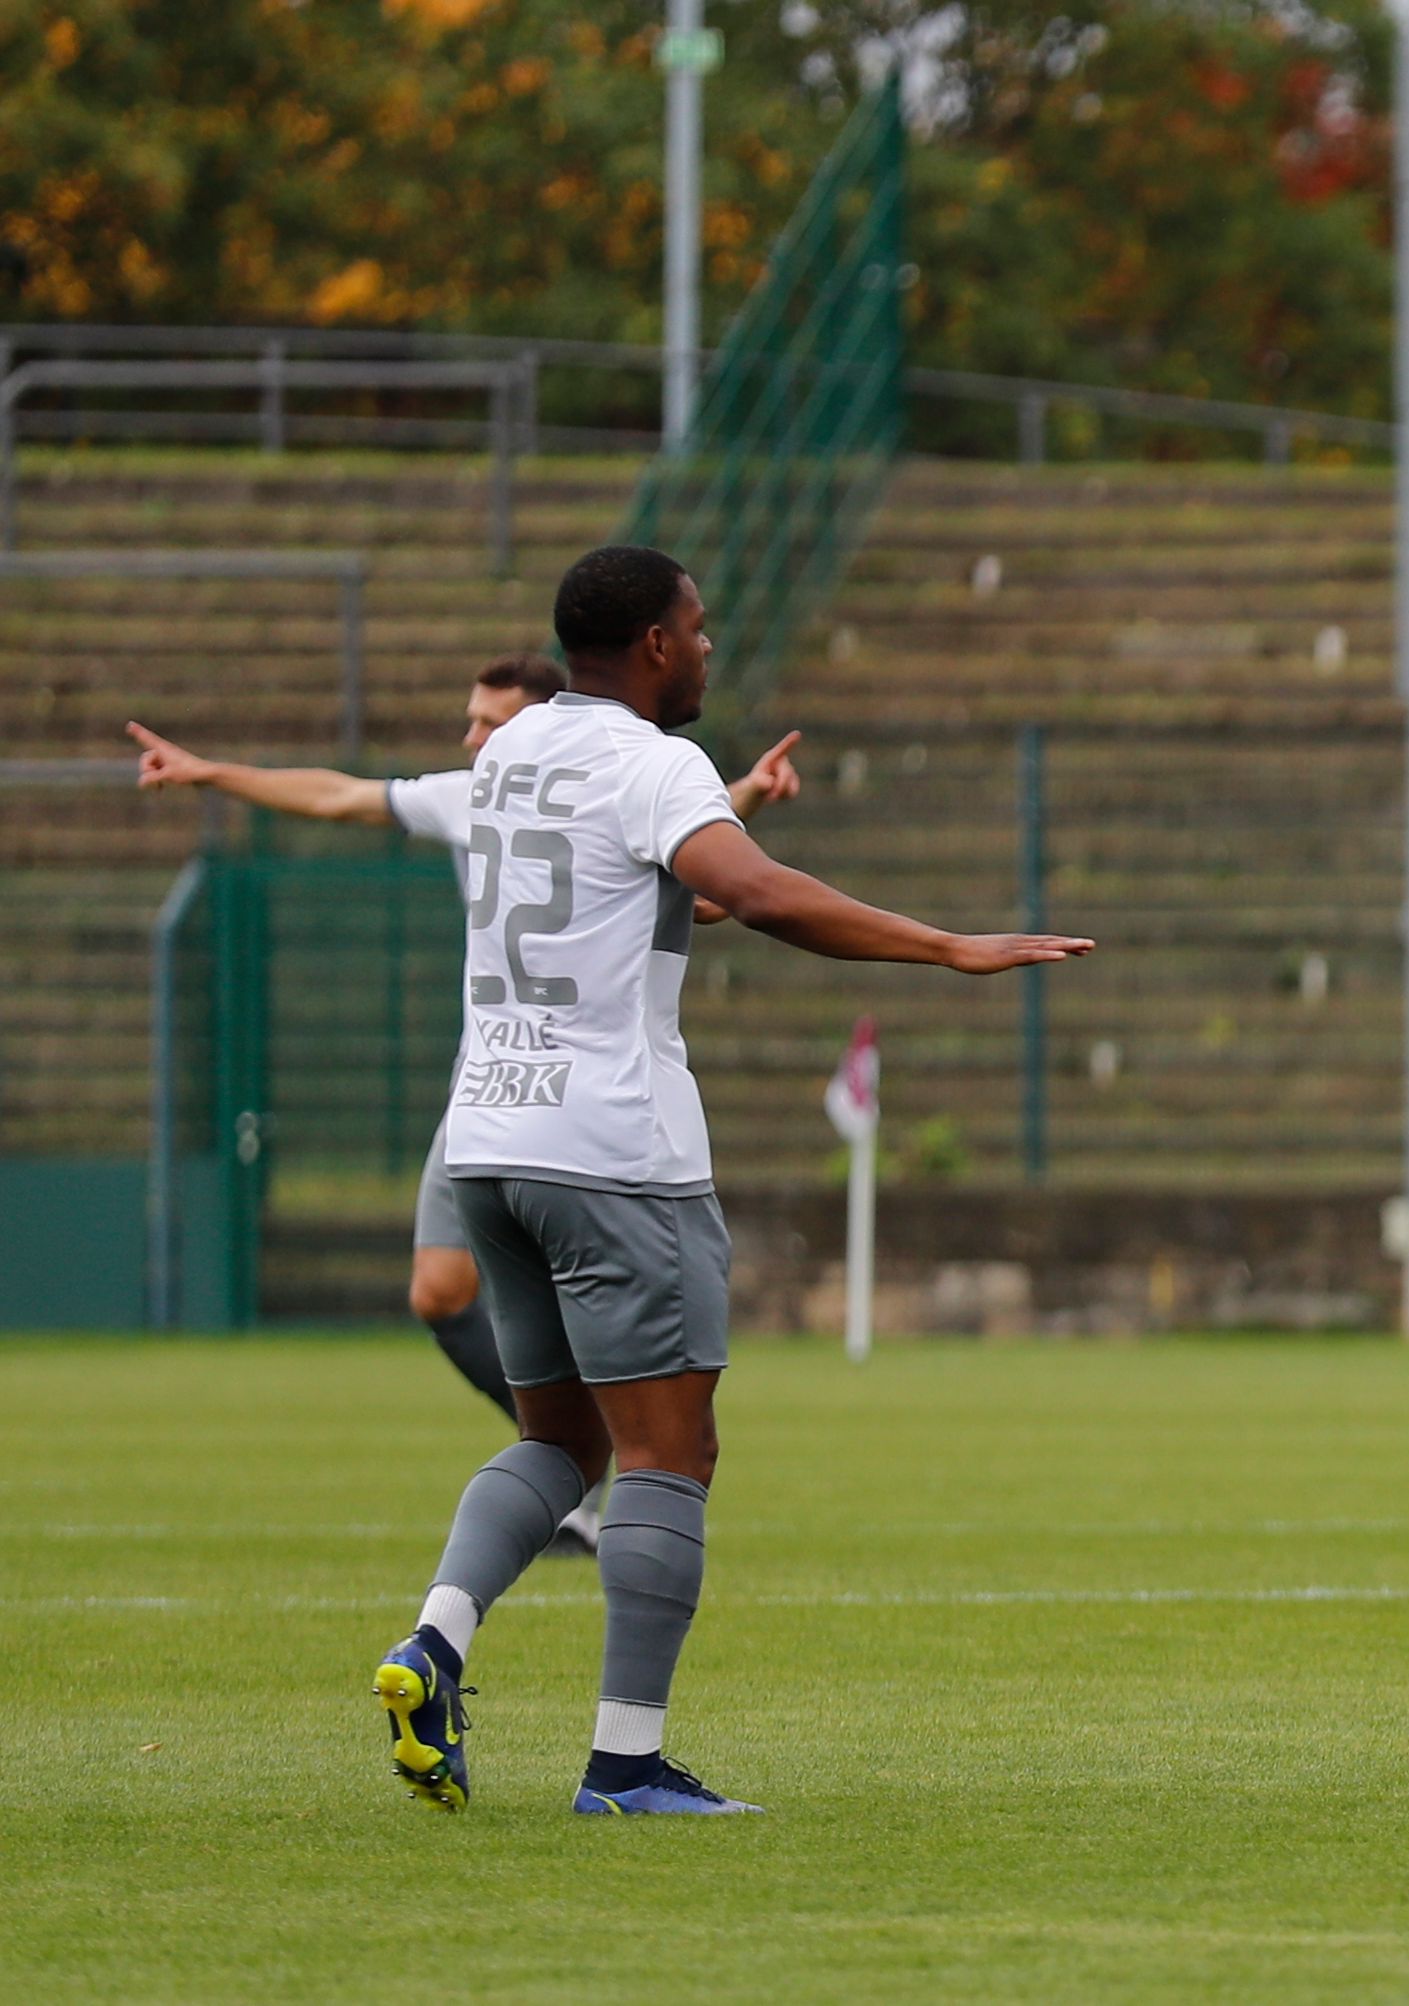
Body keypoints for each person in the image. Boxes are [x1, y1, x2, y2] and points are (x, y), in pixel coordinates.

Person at [360, 544, 1091, 1816]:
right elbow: (748, 892)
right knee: (665, 1452)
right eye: (698, 629)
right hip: (614, 1155)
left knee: (559, 1438)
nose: (708, 648)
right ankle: (626, 1765)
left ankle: (434, 1638)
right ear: (652, 644)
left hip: (489, 1138)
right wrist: (948, 945)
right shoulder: (654, 763)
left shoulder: (510, 754)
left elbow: (631, 895)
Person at [127, 662, 804, 1556]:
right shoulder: (473, 793)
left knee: (570, 1304)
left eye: (489, 722)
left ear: (542, 727)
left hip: (586, 1095)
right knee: (440, 1289)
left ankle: (583, 1463)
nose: (472, 740)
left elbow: (692, 870)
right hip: (491, 1082)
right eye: (471, 721)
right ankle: (572, 1456)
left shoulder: (593, 776)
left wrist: (746, 794)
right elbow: (338, 796)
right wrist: (210, 772)